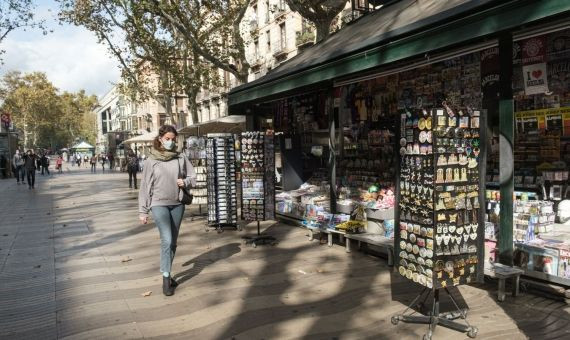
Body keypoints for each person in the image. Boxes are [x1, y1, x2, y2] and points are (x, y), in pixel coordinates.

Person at [139, 125, 196, 296]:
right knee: (167, 239)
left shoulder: (180, 157)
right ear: (160, 139)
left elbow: (193, 177)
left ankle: (168, 273)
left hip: (178, 204)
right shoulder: (151, 160)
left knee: (173, 242)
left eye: (173, 139)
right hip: (158, 204)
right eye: (167, 139)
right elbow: (144, 187)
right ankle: (165, 278)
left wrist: (184, 182)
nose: (171, 142)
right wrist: (143, 211)